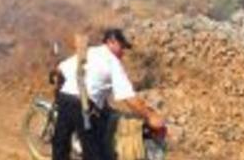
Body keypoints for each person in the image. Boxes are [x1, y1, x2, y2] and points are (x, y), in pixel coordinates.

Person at [51, 28, 165, 160]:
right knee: (94, 152)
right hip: (82, 107)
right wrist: (150, 116)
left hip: (65, 99)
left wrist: (58, 83)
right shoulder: (112, 62)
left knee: (60, 144)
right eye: (121, 47)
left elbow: (61, 68)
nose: (123, 52)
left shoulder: (88, 52)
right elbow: (128, 97)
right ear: (111, 41)